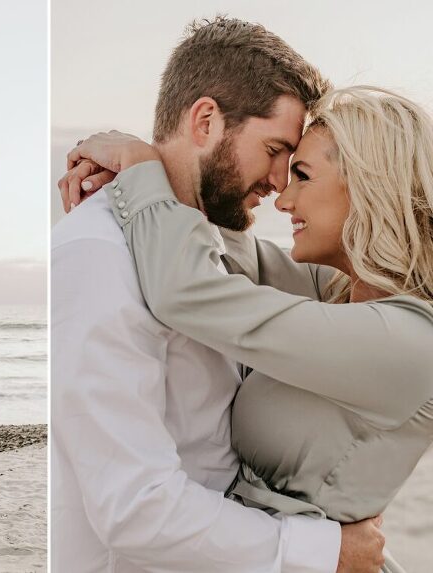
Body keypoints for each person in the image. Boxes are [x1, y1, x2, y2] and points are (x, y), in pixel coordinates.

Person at [52, 16, 385, 573]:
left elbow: (342, 285)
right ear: (206, 121)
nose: (281, 182)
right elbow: (135, 507)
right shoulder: (98, 255)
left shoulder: (212, 243)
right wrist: (325, 552)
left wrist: (138, 159)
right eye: (276, 148)